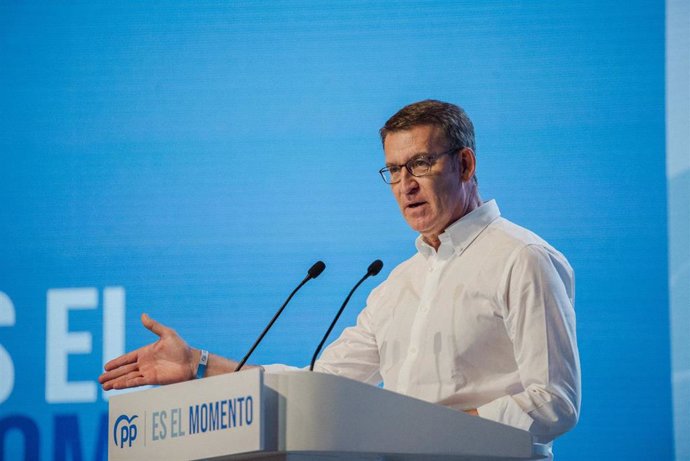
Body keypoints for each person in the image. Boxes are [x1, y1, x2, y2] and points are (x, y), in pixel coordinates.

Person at [99, 99, 580, 453]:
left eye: (420, 163)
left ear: (466, 163)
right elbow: (319, 385)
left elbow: (554, 400)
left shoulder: (522, 258)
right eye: (393, 170)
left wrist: (433, 433)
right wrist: (201, 365)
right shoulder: (397, 286)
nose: (406, 185)